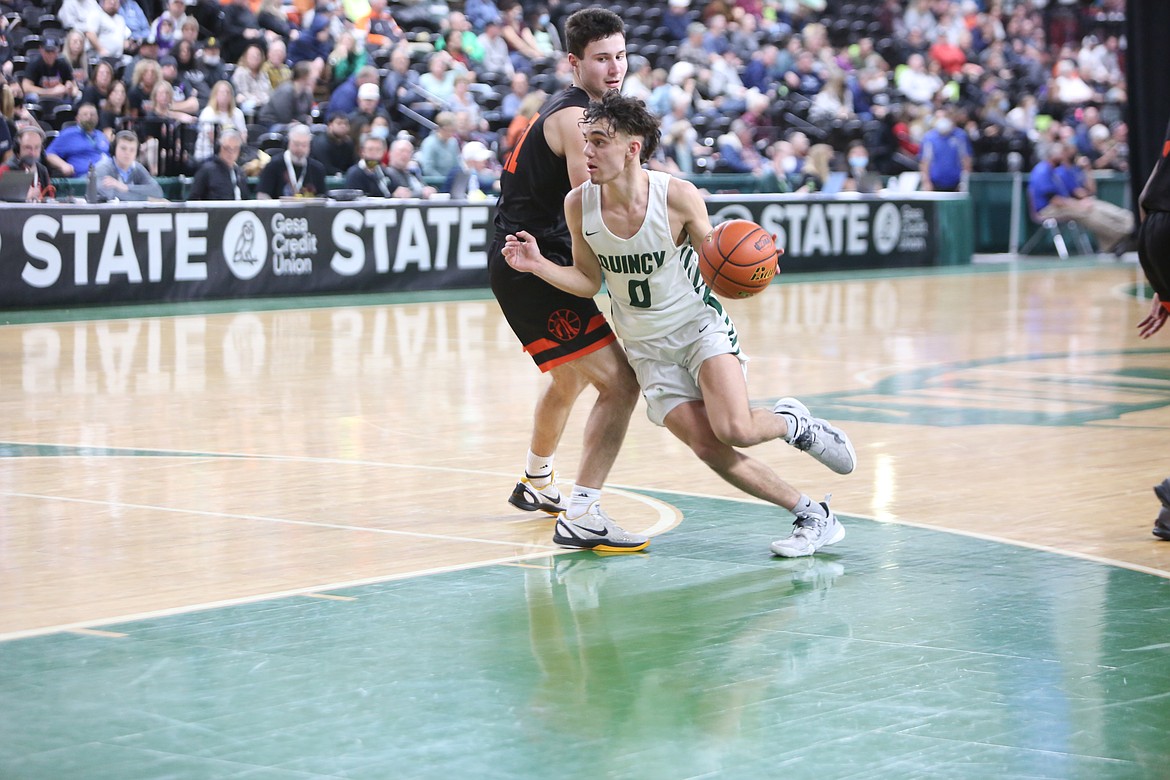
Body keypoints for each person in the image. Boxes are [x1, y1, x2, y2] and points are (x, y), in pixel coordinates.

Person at [504, 93, 855, 555]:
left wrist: (757, 262)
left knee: (736, 428)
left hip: (698, 327)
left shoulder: (677, 196)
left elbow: (718, 257)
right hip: (647, 350)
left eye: (598, 142)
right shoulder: (578, 205)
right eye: (585, 141)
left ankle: (794, 424)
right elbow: (591, 281)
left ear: (632, 148)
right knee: (710, 449)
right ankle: (813, 515)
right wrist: (538, 266)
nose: (586, 151)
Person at [487, 8, 644, 549]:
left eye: (621, 56)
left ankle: (536, 482)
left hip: (529, 254)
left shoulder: (586, 111)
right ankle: (584, 511)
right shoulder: (576, 121)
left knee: (570, 376)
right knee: (621, 383)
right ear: (575, 63)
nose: (615, 67)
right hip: (530, 262)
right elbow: (590, 205)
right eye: (602, 59)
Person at [1029, 141, 1134, 255]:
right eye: (1060, 153)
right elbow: (1055, 200)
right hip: (1048, 209)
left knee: (1092, 205)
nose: (1062, 156)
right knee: (1085, 211)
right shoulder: (1042, 171)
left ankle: (1125, 229)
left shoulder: (1055, 171)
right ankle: (1122, 233)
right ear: (1052, 155)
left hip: (1061, 205)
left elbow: (1084, 193)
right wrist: (1078, 204)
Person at [256, 123, 326, 198]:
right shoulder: (273, 165)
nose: (300, 149)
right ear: (288, 143)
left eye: (304, 145)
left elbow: (322, 197)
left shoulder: (317, 169)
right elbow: (262, 195)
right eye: (296, 144)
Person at [93, 130, 165, 201]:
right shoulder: (102, 168)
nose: (127, 153)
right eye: (123, 148)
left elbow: (157, 191)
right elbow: (110, 195)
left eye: (132, 150)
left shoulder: (137, 168)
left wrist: (126, 187)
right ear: (114, 149)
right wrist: (148, 199)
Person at [45, 103, 110, 177]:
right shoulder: (68, 134)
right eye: (85, 114)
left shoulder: (101, 135)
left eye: (92, 114)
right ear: (77, 118)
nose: (89, 117)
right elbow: (49, 154)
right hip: (83, 178)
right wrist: (63, 165)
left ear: (98, 118)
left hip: (106, 177)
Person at [188, 128, 252, 200]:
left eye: (235, 149)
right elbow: (194, 199)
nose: (231, 153)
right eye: (227, 148)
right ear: (219, 148)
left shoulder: (239, 173)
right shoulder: (206, 170)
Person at [918, 111, 970, 192]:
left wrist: (964, 181)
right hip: (935, 183)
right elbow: (925, 161)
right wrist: (926, 182)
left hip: (956, 183)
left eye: (944, 117)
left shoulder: (960, 135)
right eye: (939, 118)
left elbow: (966, 159)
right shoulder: (929, 137)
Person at [3, 126, 54, 202]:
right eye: (28, 147)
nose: (33, 153)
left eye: (37, 147)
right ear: (18, 148)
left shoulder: (42, 170)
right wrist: (23, 199)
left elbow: (50, 200)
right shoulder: (6, 170)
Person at [311, 111, 357, 175]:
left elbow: (352, 165)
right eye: (339, 123)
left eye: (346, 124)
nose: (343, 126)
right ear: (330, 125)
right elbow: (326, 168)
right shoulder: (321, 143)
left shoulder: (349, 143)